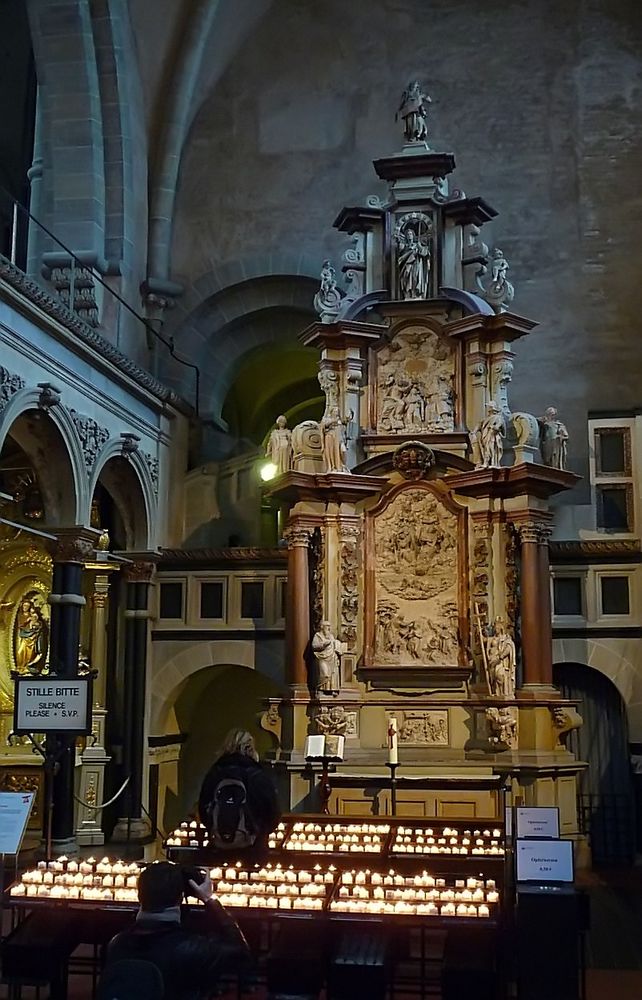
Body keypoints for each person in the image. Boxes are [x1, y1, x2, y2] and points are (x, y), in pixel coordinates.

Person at [102, 861, 250, 1000]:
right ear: (180, 898)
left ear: (139, 895)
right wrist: (209, 899)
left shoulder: (117, 943)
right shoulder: (191, 948)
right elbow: (240, 951)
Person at [198, 729, 281, 851]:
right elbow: (272, 811)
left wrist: (217, 829)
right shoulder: (257, 775)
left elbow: (203, 808)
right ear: (250, 748)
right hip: (253, 846)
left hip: (219, 844)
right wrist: (260, 833)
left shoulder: (215, 773)